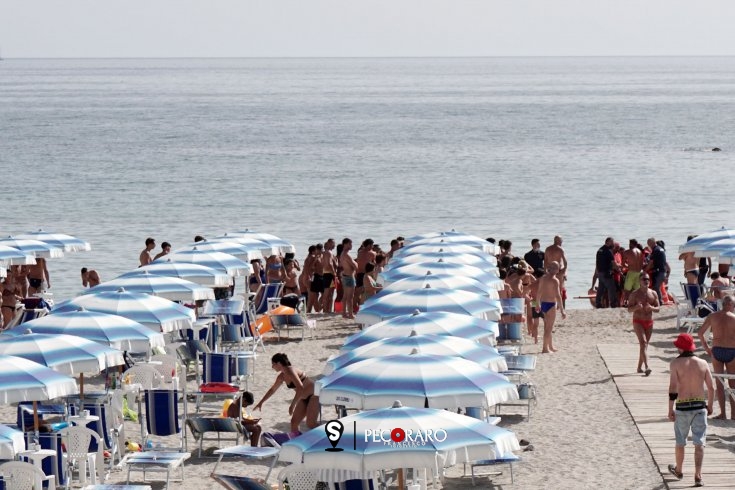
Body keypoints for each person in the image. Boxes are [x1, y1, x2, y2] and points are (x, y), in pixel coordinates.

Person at [667, 333, 714, 487]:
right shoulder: (703, 363)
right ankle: (698, 475)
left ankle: (679, 470)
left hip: (682, 407)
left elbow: (673, 387)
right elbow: (711, 388)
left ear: (680, 347)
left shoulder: (675, 364)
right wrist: (711, 405)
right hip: (700, 406)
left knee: (680, 441)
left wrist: (670, 408)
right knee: (699, 442)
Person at [253, 353, 319, 433]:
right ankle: (296, 443)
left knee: (311, 423)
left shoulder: (290, 370)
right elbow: (272, 390)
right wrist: (261, 402)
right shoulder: (281, 376)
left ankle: (330, 433)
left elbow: (300, 387)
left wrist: (292, 405)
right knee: (294, 423)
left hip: (314, 395)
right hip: (303, 398)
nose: (272, 367)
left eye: (273, 364)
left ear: (279, 363)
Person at [697, 294, 735, 420]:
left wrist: (707, 348)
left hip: (717, 351)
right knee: (732, 384)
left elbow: (700, 333)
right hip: (731, 351)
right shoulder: (734, 318)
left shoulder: (712, 316)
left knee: (719, 383)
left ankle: (723, 413)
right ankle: (734, 414)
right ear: (730, 305)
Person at [627, 273, 660, 376]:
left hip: (649, 322)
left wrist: (652, 308)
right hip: (638, 321)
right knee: (643, 343)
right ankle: (647, 367)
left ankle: (639, 367)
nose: (646, 281)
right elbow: (629, 309)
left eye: (648, 279)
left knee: (644, 346)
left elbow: (658, 308)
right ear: (639, 281)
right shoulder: (634, 294)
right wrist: (636, 307)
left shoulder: (653, 293)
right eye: (644, 279)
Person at [536, 261, 566, 353]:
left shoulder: (543, 278)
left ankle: (550, 346)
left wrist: (537, 304)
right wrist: (562, 310)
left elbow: (539, 292)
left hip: (543, 303)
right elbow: (558, 295)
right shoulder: (555, 280)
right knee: (549, 328)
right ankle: (545, 348)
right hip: (551, 304)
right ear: (556, 270)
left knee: (547, 327)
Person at [595, 237, 618, 308]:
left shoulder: (599, 250)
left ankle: (598, 303)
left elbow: (597, 262)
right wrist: (618, 269)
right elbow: (613, 263)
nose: (613, 244)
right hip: (606, 273)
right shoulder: (608, 251)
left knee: (601, 289)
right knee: (611, 288)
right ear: (607, 242)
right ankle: (613, 304)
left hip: (600, 272)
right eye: (612, 242)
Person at [544, 236, 567, 306]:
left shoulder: (547, 249)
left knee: (549, 288)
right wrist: (564, 270)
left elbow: (545, 261)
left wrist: (545, 271)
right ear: (558, 241)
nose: (561, 243)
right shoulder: (560, 249)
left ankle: (551, 305)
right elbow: (565, 262)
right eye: (561, 241)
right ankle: (559, 306)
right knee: (560, 289)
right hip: (558, 271)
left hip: (549, 271)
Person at [646, 237, 669, 305]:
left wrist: (645, 270)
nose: (648, 245)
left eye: (649, 244)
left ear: (653, 242)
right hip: (663, 271)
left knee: (655, 287)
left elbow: (651, 263)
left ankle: (659, 301)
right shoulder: (660, 249)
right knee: (657, 287)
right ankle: (659, 301)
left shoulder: (655, 250)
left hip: (659, 272)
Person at [339, 238, 358, 320]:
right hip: (349, 277)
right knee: (350, 297)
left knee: (345, 296)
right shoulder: (346, 255)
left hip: (345, 275)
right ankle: (350, 314)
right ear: (345, 244)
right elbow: (355, 266)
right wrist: (356, 263)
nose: (351, 246)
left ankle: (344, 313)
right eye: (350, 244)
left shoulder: (342, 254)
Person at [622, 239, 644, 306]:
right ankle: (637, 302)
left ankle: (626, 302)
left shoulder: (627, 252)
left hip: (631, 272)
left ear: (631, 244)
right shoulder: (640, 251)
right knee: (637, 289)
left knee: (627, 289)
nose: (629, 245)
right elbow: (641, 264)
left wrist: (627, 267)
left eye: (629, 243)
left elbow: (623, 264)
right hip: (638, 272)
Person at [321, 238, 338, 313]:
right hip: (329, 274)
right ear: (329, 243)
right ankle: (325, 310)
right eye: (333, 243)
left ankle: (328, 310)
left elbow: (323, 264)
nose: (334, 245)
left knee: (330, 293)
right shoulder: (329, 253)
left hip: (326, 273)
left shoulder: (325, 252)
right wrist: (334, 273)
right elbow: (329, 264)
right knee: (327, 293)